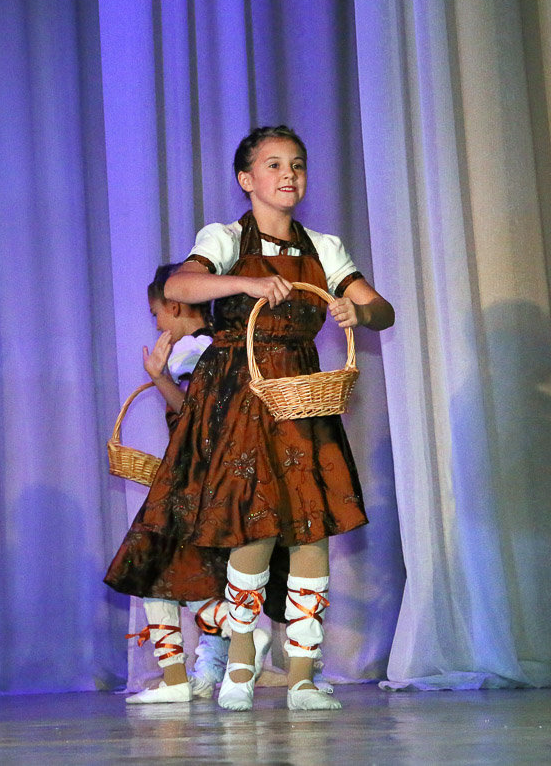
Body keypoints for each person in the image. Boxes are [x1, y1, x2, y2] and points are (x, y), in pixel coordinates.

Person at [106, 125, 394, 711]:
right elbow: (180, 283)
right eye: (273, 164)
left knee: (310, 524)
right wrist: (247, 282)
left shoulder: (324, 246)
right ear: (247, 179)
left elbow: (381, 310)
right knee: (254, 519)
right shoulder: (226, 237)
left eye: (297, 164)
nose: (289, 174)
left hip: (298, 393)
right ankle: (240, 659)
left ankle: (303, 675)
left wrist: (355, 312)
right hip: (239, 389)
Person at [124, 264, 230, 704]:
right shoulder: (218, 344)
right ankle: (206, 662)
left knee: (152, 567)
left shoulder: (191, 348)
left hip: (192, 476)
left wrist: (159, 376)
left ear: (176, 305)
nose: (156, 324)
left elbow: (193, 416)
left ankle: (187, 668)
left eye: (157, 314)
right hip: (210, 474)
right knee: (197, 573)